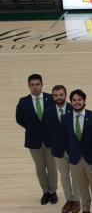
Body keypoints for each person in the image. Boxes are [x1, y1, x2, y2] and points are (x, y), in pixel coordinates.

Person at [16, 74, 57, 205]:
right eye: (32, 85)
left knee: (52, 167)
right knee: (40, 168)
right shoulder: (23, 102)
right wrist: (32, 129)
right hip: (33, 141)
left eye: (37, 84)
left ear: (42, 85)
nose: (35, 87)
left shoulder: (51, 99)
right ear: (29, 86)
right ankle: (45, 191)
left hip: (50, 140)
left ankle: (53, 191)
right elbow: (19, 119)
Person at [63, 89, 92, 213]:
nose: (77, 102)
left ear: (84, 101)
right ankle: (85, 210)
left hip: (91, 159)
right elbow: (66, 138)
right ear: (71, 102)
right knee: (81, 186)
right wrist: (71, 153)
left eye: (79, 100)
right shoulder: (66, 117)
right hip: (75, 159)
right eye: (74, 100)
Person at [43, 84, 78, 213]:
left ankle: (76, 200)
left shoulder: (73, 109)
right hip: (58, 151)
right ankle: (69, 199)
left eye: (61, 95)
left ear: (65, 95)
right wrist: (51, 145)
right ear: (53, 96)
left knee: (75, 176)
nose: (58, 97)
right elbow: (46, 130)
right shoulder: (48, 111)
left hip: (73, 150)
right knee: (64, 176)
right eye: (56, 95)